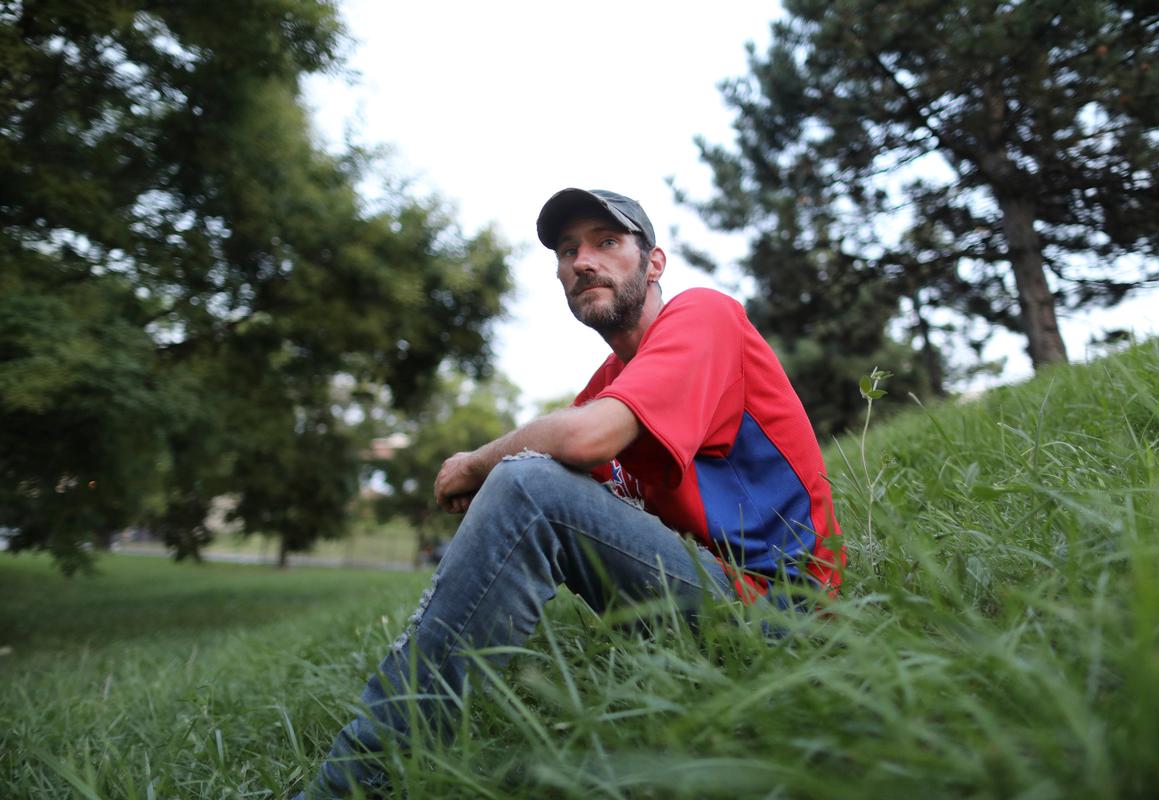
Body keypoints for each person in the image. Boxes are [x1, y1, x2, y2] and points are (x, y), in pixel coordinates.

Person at [296, 188, 843, 798]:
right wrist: (496, 485)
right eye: (567, 250)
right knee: (525, 482)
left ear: (653, 262)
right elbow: (554, 473)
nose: (582, 261)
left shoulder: (705, 316)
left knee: (524, 484)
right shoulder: (609, 385)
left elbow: (578, 444)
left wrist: (477, 463)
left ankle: (349, 786)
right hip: (707, 609)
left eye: (606, 243)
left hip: (786, 619)